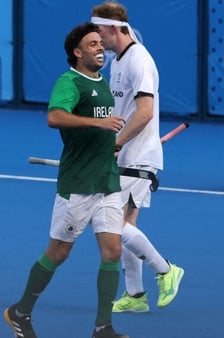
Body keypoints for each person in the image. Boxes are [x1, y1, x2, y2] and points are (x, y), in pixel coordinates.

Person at [3, 22, 129, 338]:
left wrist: (111, 145)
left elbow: (101, 131)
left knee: (112, 252)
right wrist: (99, 124)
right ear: (77, 52)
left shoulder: (102, 82)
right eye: (92, 44)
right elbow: (55, 117)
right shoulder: (69, 81)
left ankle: (103, 327)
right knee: (59, 252)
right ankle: (20, 312)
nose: (101, 48)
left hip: (107, 182)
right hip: (78, 185)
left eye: (101, 43)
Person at [91, 1, 184, 313]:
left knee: (112, 223)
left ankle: (166, 270)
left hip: (137, 155)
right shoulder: (118, 60)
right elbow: (125, 111)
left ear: (114, 28)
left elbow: (144, 113)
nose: (97, 36)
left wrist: (115, 144)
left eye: (99, 30)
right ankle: (136, 294)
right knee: (125, 225)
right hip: (125, 153)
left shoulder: (138, 60)